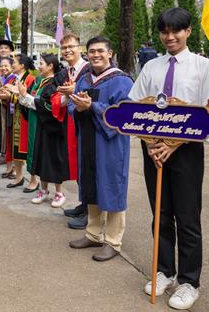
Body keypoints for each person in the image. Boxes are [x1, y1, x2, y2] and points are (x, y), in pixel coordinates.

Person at [128, 8, 209, 309]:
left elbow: (207, 111)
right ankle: (164, 270)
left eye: (176, 31)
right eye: (164, 31)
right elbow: (134, 104)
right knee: (161, 214)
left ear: (188, 31)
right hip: (153, 151)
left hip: (187, 150)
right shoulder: (151, 67)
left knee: (188, 217)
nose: (170, 37)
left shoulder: (205, 67)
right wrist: (153, 144)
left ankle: (190, 282)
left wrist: (173, 145)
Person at [68, 36, 133, 262]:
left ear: (110, 53)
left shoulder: (122, 81)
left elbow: (124, 113)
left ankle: (113, 241)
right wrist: (77, 106)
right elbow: (71, 104)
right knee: (91, 186)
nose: (95, 55)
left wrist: (92, 106)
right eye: (91, 52)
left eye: (100, 51)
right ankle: (93, 234)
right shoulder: (84, 79)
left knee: (111, 187)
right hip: (87, 141)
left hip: (110, 145)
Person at [19, 54, 69, 207]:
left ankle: (59, 193)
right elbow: (35, 101)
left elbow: (48, 105)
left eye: (41, 63)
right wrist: (23, 96)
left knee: (53, 159)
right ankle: (44, 190)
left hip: (53, 127)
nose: (38, 66)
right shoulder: (40, 81)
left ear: (50, 66)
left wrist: (25, 95)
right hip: (41, 124)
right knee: (41, 157)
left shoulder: (55, 82)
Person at [54, 33, 89, 229]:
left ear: (80, 48)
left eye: (71, 47)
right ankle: (83, 203)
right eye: (64, 47)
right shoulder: (68, 71)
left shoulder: (88, 69)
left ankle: (89, 209)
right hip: (71, 120)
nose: (67, 50)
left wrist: (74, 91)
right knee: (77, 163)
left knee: (85, 163)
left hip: (85, 121)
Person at [3, 54, 35, 188]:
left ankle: (34, 180)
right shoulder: (15, 78)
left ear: (22, 65)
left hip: (25, 117)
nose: (12, 65)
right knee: (16, 148)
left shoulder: (30, 79)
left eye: (14, 62)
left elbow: (30, 99)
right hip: (15, 116)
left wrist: (12, 94)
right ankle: (19, 176)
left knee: (29, 149)